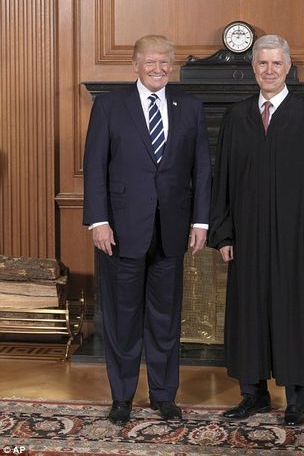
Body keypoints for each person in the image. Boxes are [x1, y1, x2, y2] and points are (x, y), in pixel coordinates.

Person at [208, 35, 304, 426]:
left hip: (296, 238)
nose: (268, 71)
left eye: (275, 64)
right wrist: (225, 234)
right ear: (253, 68)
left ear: (288, 67)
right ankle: (253, 395)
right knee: (248, 311)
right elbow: (224, 182)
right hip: (248, 237)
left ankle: (296, 401)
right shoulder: (237, 117)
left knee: (295, 313)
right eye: (262, 64)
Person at [83, 34, 211, 425]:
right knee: (123, 318)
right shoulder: (109, 106)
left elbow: (201, 167)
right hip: (120, 231)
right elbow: (95, 167)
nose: (158, 69)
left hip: (172, 230)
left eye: (165, 63)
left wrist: (201, 221)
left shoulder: (189, 106)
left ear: (171, 67)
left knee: (165, 318)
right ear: (135, 65)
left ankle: (163, 394)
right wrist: (98, 220)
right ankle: (122, 396)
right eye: (151, 62)